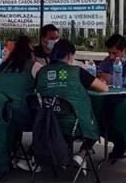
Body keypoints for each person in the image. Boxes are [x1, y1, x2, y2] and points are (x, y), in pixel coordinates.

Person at [33, 39, 108, 170]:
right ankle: (81, 155)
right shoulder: (77, 71)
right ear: (69, 55)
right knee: (97, 124)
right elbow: (104, 88)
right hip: (75, 124)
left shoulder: (41, 72)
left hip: (47, 123)